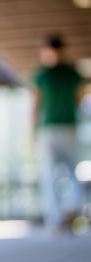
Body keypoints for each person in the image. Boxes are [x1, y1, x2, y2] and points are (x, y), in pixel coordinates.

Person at [32, 35, 84, 232]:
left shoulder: (43, 74)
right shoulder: (72, 73)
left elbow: (36, 105)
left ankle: (57, 217)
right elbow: (80, 99)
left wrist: (32, 131)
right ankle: (69, 211)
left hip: (51, 128)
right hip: (68, 127)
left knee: (51, 174)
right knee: (69, 172)